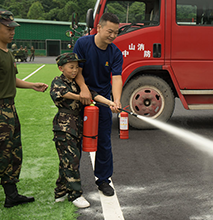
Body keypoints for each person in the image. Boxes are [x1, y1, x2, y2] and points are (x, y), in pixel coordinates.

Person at [50, 52, 117, 208]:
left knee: (67, 160)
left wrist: (110, 103)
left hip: (77, 126)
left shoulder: (77, 84)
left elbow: (94, 95)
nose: (75, 70)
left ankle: (60, 191)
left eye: (77, 67)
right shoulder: (58, 82)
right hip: (64, 126)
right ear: (61, 68)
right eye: (71, 67)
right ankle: (75, 195)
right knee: (71, 160)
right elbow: (61, 94)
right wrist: (80, 96)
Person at [0, 9, 48, 208]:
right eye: (8, 28)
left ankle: (11, 195)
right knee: (2, 153)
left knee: (12, 152)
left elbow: (12, 80)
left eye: (13, 28)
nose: (12, 32)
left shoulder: (8, 53)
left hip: (10, 108)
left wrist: (32, 85)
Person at [73, 12, 123, 196]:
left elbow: (116, 78)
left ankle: (103, 180)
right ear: (99, 28)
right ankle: (72, 181)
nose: (112, 36)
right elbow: (76, 69)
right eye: (109, 31)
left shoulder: (115, 53)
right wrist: (83, 88)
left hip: (102, 101)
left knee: (104, 141)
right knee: (75, 140)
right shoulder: (82, 43)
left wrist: (116, 100)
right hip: (80, 97)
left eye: (116, 33)